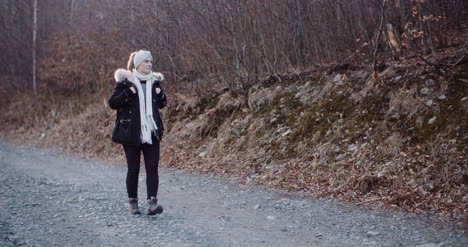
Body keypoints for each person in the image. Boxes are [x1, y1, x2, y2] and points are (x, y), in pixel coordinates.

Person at [108, 50, 167, 215]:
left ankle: (152, 203)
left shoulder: (154, 82)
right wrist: (128, 93)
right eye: (146, 61)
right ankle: (133, 202)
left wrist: (160, 94)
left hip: (151, 131)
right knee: (133, 168)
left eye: (151, 62)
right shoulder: (126, 82)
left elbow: (162, 103)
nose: (149, 64)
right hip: (131, 132)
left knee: (152, 167)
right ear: (138, 64)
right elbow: (112, 103)